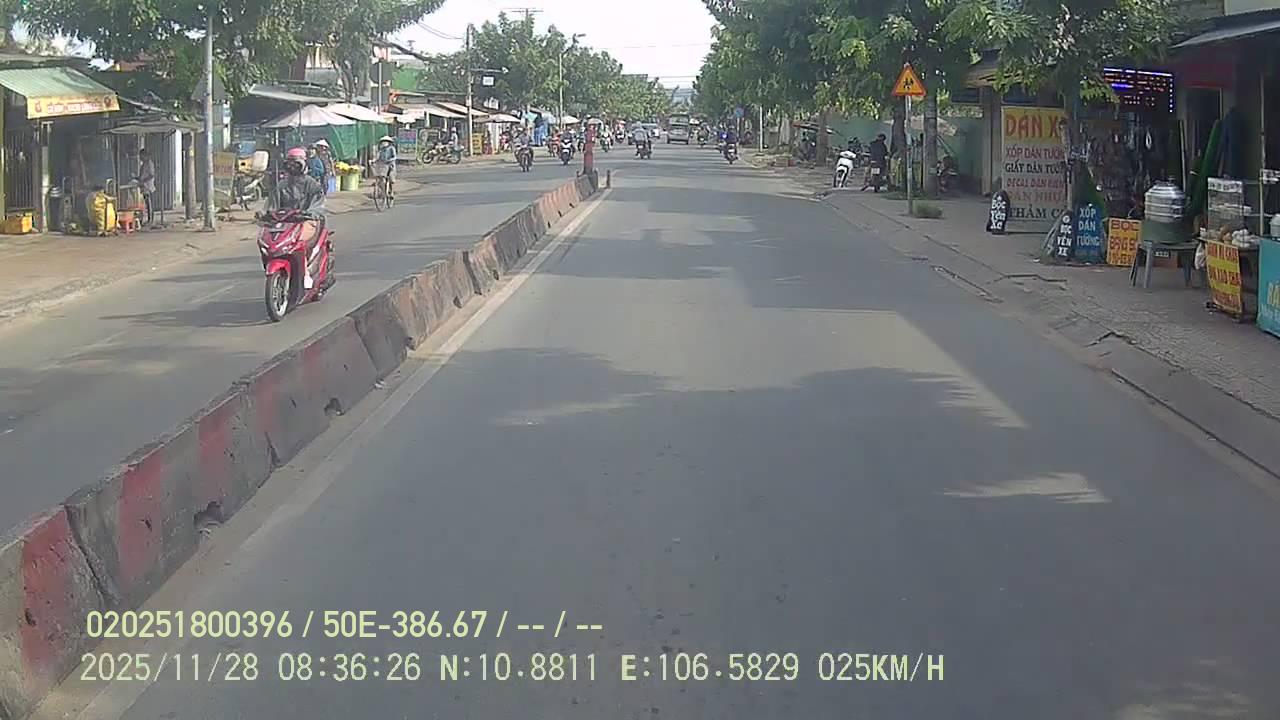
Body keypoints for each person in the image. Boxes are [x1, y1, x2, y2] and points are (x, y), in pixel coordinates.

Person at [273, 147, 326, 288]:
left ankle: (306, 273)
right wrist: (265, 214)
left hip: (307, 220)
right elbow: (272, 204)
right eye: (289, 164)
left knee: (299, 242)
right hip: (287, 222)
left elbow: (318, 204)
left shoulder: (312, 184)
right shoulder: (282, 185)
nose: (292, 167)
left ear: (303, 164)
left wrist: (309, 213)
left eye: (296, 164)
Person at [136, 147, 156, 226]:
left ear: (145, 155)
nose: (140, 158)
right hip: (143, 187)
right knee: (145, 204)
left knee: (149, 203)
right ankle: (146, 220)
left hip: (148, 186)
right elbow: (142, 176)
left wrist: (143, 180)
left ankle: (150, 220)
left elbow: (151, 175)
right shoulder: (143, 164)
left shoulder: (149, 164)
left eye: (141, 156)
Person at [376, 135, 397, 201]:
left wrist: (390, 160)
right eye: (383, 142)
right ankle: (383, 192)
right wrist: (373, 160)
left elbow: (394, 157)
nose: (384, 143)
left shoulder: (392, 148)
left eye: (386, 141)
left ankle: (391, 192)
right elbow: (378, 157)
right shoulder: (381, 150)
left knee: (390, 179)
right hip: (383, 166)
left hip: (390, 165)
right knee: (381, 178)